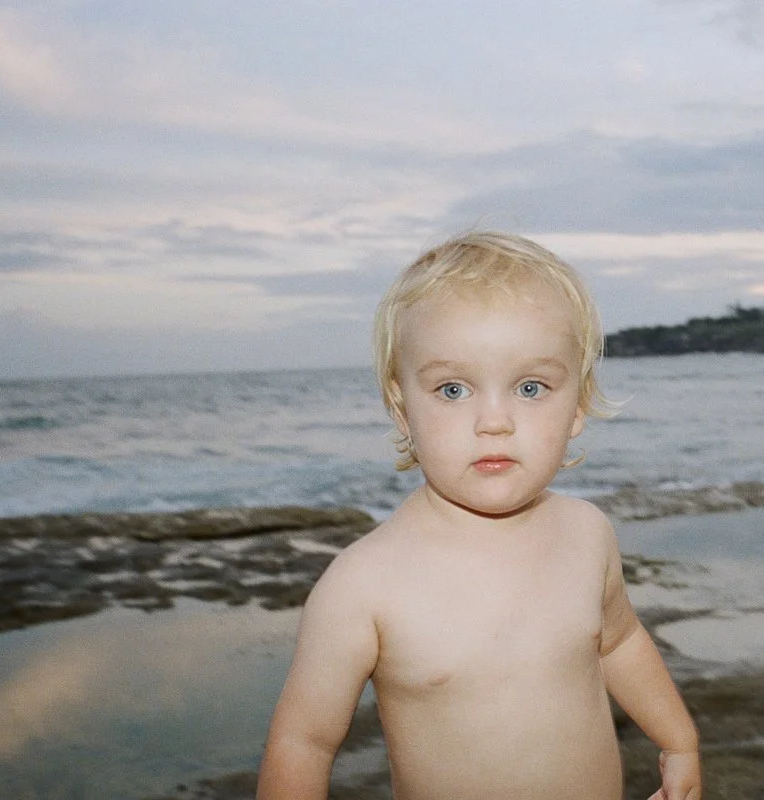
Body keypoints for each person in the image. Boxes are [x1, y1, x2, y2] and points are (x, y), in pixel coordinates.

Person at [257, 231, 701, 799]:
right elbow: (303, 742)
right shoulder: (364, 585)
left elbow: (618, 643)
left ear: (579, 407)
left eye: (531, 386)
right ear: (401, 407)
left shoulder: (586, 534)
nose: (494, 421)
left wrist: (678, 740)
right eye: (452, 390)